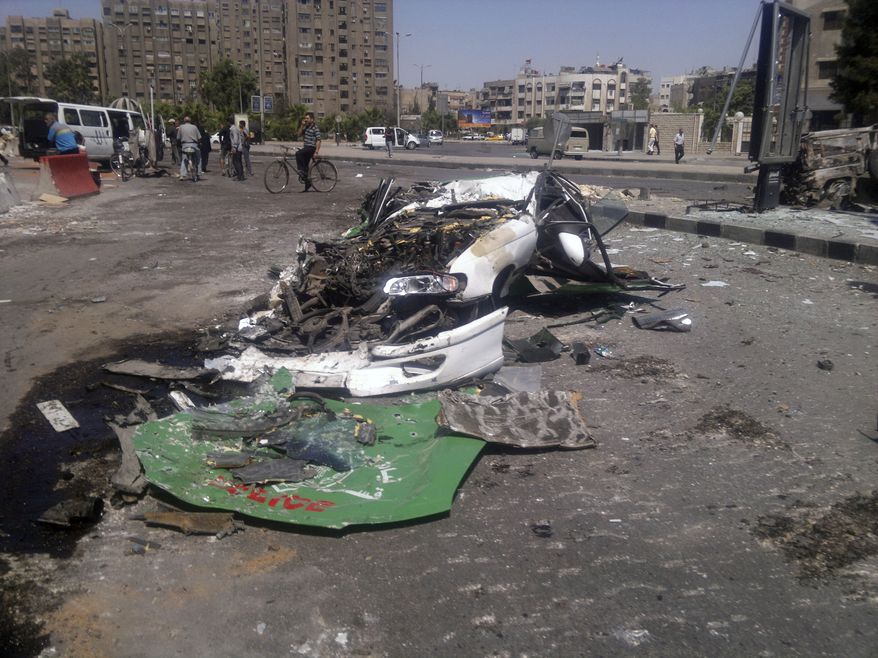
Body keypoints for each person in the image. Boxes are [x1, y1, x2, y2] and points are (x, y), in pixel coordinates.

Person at [296, 112, 321, 192]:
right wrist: (302, 125)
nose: (306, 120)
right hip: (306, 148)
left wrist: (316, 151)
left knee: (298, 153)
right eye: (305, 118)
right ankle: (307, 184)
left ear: (312, 119)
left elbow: (318, 140)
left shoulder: (315, 128)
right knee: (306, 167)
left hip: (311, 148)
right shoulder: (306, 127)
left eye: (307, 118)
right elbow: (299, 134)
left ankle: (301, 170)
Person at [176, 115, 201, 181]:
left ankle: (182, 175)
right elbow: (199, 137)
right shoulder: (194, 127)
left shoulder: (181, 127)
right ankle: (198, 173)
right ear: (190, 121)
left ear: (184, 121)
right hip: (194, 145)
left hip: (185, 145)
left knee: (184, 160)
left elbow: (178, 138)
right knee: (198, 159)